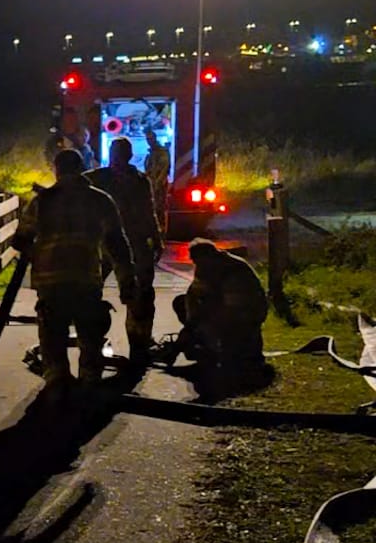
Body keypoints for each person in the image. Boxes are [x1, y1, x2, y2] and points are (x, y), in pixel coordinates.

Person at [14, 148, 137, 395]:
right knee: (90, 334)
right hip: (85, 279)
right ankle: (89, 382)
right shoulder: (100, 200)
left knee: (53, 335)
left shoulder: (43, 201)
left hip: (50, 282)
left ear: (57, 170)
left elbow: (20, 240)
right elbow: (118, 245)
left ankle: (57, 382)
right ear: (81, 168)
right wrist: (127, 283)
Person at [86, 136, 162, 364]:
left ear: (127, 155)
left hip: (132, 242)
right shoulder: (97, 178)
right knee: (91, 291)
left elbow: (149, 210)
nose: (117, 157)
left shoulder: (138, 180)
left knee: (140, 294)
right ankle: (92, 340)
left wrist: (156, 237)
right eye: (115, 152)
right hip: (106, 242)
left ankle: (139, 343)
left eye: (120, 153)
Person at [174, 239, 268, 385]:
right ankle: (206, 344)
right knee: (181, 302)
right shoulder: (207, 267)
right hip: (227, 308)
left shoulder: (233, 270)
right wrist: (190, 323)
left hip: (245, 313)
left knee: (214, 322)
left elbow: (234, 307)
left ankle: (220, 348)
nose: (195, 265)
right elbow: (194, 294)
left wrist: (199, 325)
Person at [143, 126, 172, 236]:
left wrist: (158, 184)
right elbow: (148, 170)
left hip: (159, 185)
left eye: (150, 139)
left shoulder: (162, 152)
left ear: (155, 138)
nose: (149, 141)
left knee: (160, 208)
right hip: (152, 185)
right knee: (152, 209)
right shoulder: (151, 154)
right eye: (147, 139)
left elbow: (164, 169)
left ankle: (161, 232)